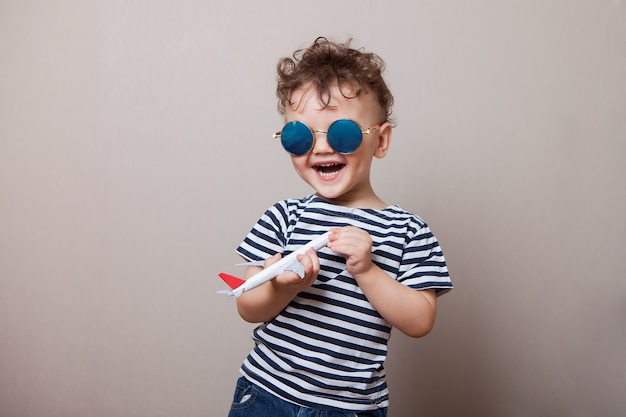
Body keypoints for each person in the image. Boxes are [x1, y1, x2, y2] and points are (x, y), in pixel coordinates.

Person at [226, 37, 452, 417]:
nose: (321, 149)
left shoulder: (408, 231)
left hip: (348, 409)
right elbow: (248, 306)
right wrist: (284, 286)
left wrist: (367, 270)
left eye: (341, 133)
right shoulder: (283, 217)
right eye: (300, 137)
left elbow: (420, 320)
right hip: (267, 395)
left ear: (380, 140)